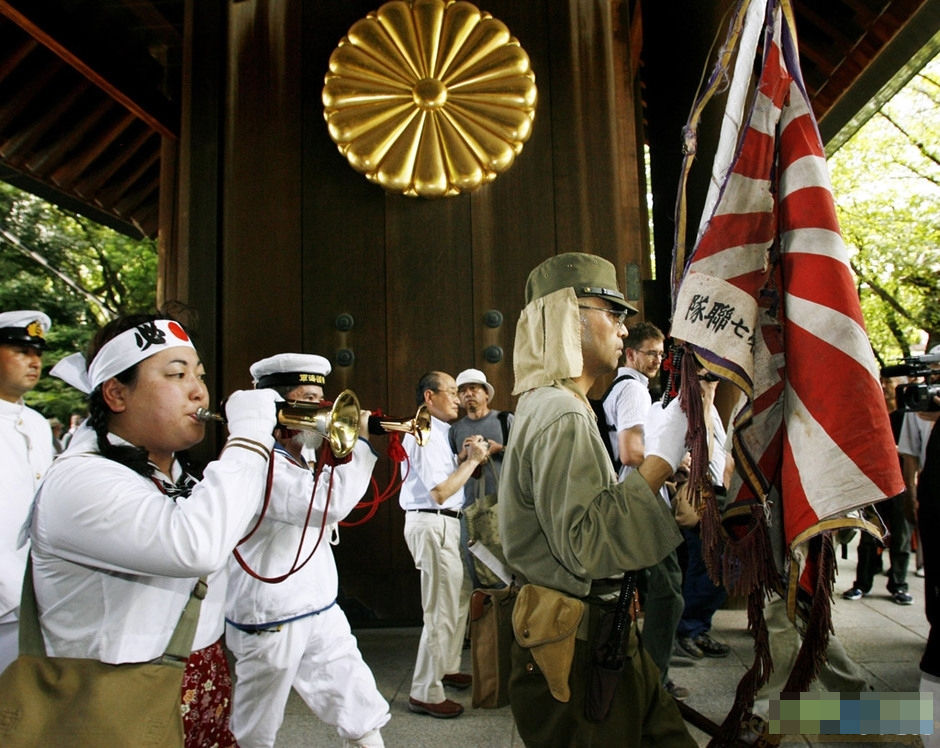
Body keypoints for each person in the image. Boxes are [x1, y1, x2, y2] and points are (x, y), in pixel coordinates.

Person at [31, 312, 281, 747]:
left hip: (199, 684)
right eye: (176, 374)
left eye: (199, 375)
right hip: (114, 701)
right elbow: (195, 547)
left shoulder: (180, 473)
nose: (198, 390)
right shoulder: (80, 481)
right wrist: (251, 436)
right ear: (116, 394)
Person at [499, 252, 695, 746]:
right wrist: (661, 462)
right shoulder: (562, 412)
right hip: (579, 645)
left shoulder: (556, 403)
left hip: (594, 631)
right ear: (568, 316)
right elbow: (587, 545)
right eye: (612, 314)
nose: (624, 331)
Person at [225, 353, 389, 748]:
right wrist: (363, 445)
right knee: (255, 729)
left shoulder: (305, 450)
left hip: (318, 604)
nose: (321, 409)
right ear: (277, 408)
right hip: (272, 614)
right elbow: (325, 503)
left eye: (321, 397)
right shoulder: (257, 458)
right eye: (308, 399)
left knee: (359, 705)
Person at [600, 321, 693, 698]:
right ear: (631, 354)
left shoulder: (626, 389)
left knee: (637, 591)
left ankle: (643, 671)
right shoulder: (634, 390)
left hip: (636, 494)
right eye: (651, 353)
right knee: (668, 593)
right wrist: (668, 461)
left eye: (661, 353)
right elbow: (631, 453)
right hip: (641, 496)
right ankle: (653, 680)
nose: (658, 360)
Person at [399, 371, 490, 719]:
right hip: (432, 522)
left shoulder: (439, 433)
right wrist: (472, 462)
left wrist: (461, 459)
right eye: (451, 392)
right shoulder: (421, 433)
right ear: (429, 398)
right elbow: (439, 492)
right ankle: (425, 691)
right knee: (440, 609)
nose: (457, 398)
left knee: (456, 598)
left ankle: (447, 666)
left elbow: (440, 479)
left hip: (444, 524)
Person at [0, 310, 54, 672]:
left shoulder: (35, 424)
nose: (33, 361)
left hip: (36, 598)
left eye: (37, 352)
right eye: (21, 350)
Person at [673, 369, 733, 660]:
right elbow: (703, 453)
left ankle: (696, 627)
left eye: (714, 378)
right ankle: (687, 629)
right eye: (705, 377)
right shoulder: (688, 407)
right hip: (700, 496)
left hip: (718, 495)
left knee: (714, 568)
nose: (711, 382)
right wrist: (706, 401)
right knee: (709, 568)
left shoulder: (711, 409)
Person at [842, 375, 913, 605]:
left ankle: (899, 584)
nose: (886, 386)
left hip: (900, 483)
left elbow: (914, 452)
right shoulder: (873, 410)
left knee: (901, 536)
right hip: (875, 482)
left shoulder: (907, 415)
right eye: (883, 381)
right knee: (869, 536)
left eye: (891, 382)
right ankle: (862, 583)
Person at [448, 367, 512, 586]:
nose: (468, 394)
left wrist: (499, 448)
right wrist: (465, 455)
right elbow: (450, 468)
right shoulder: (454, 430)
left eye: (473, 388)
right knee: (475, 566)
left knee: (508, 564)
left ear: (486, 394)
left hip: (506, 505)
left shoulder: (505, 420)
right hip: (470, 508)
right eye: (462, 391)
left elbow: (525, 454)